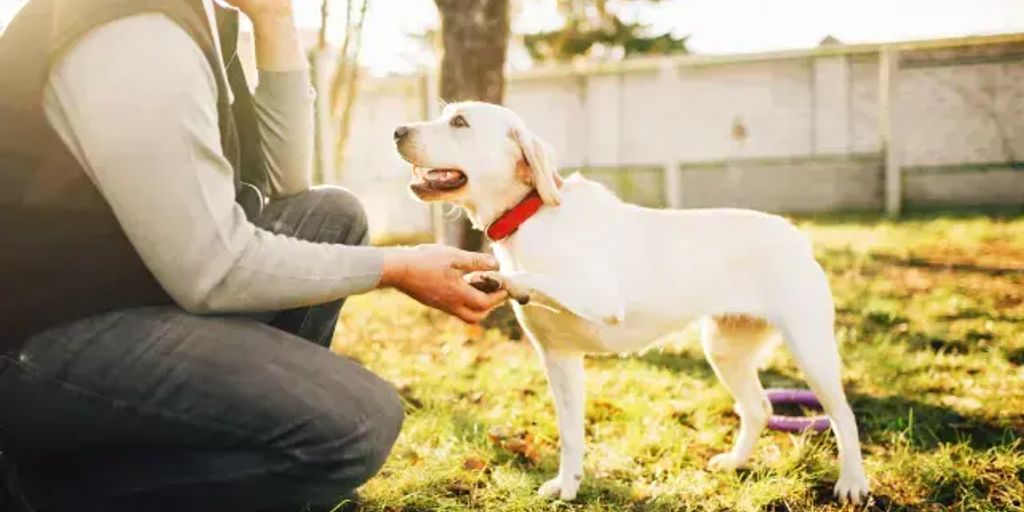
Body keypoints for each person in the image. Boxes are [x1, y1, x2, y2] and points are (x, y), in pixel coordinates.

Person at [0, 0, 507, 510]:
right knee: (356, 422)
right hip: (39, 342)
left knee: (332, 216)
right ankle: (45, 491)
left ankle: (259, 459)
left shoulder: (199, 19)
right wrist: (395, 267)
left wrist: (274, 21)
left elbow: (286, 183)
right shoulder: (134, 30)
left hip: (129, 291)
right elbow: (213, 269)